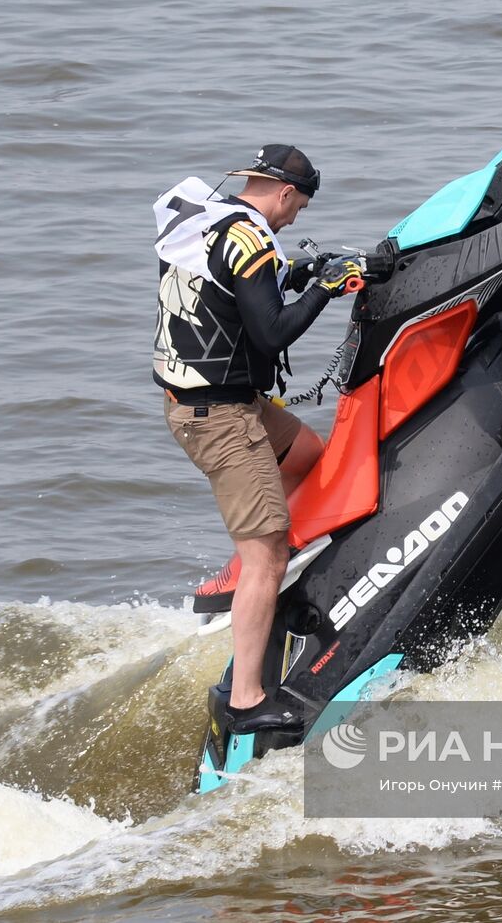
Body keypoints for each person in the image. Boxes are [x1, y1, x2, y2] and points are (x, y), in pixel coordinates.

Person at [152, 145, 362, 732]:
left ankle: (255, 571)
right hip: (220, 418)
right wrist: (326, 289)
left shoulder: (212, 223)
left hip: (214, 402)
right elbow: (270, 334)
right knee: (266, 553)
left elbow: (241, 297)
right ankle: (246, 700)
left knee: (310, 456)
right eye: (298, 209)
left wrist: (301, 275)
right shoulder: (249, 239)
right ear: (286, 194)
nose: (295, 221)